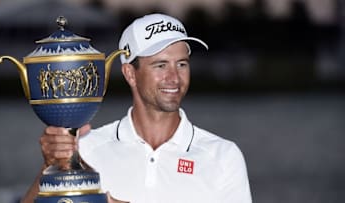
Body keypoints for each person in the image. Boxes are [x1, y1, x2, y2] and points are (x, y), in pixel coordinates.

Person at [21, 13, 252, 203]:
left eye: (182, 64)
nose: (174, 77)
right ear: (130, 74)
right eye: (160, 65)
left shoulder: (223, 157)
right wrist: (51, 165)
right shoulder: (87, 148)